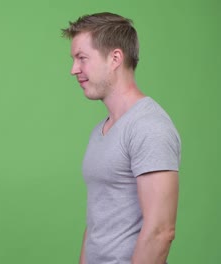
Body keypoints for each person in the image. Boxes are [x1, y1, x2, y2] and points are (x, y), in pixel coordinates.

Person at [62, 12, 181, 263]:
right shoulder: (101, 129)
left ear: (115, 58)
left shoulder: (148, 126)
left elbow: (161, 231)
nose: (74, 69)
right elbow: (97, 222)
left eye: (82, 58)